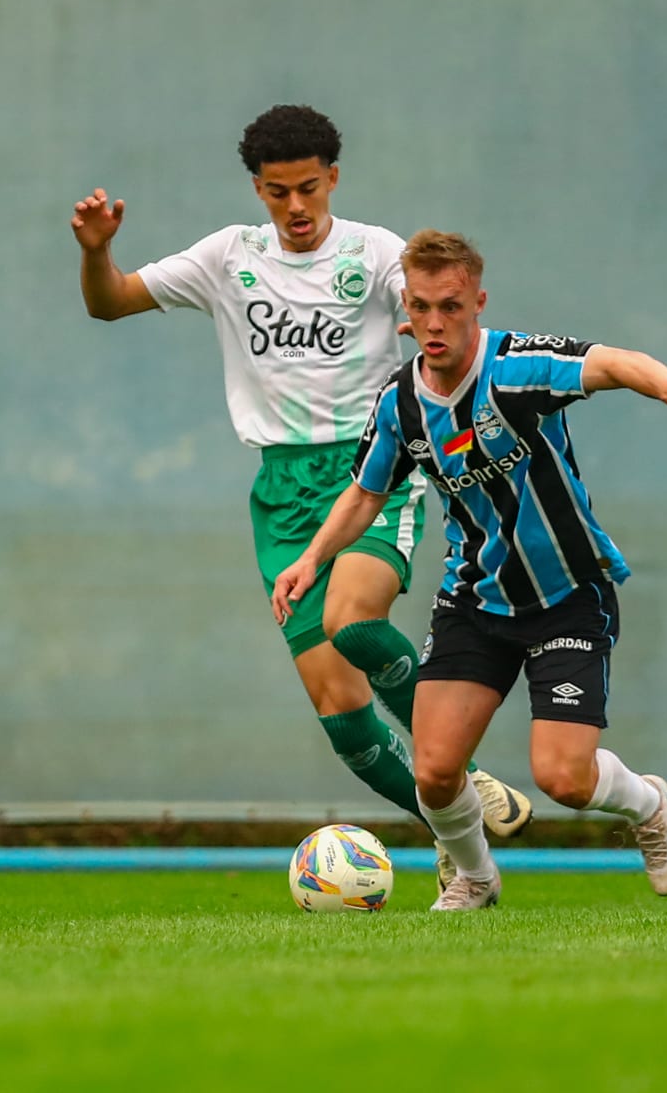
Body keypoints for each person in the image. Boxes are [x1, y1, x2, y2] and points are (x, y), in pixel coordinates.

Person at [72, 107, 531, 860]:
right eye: (278, 191)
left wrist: (428, 327)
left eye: (308, 188)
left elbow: (435, 305)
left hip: (371, 468)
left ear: (333, 180)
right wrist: (98, 253)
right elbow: (109, 300)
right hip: (281, 490)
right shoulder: (228, 257)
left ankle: (464, 773)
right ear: (258, 189)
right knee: (340, 708)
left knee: (355, 620)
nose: (295, 207)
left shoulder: (377, 252)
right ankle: (462, 843)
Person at [272, 230, 667, 909]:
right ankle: (477, 878)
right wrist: (312, 557)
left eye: (450, 306)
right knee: (434, 769)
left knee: (564, 778)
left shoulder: (516, 365)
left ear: (477, 302)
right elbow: (367, 491)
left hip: (567, 595)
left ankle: (649, 803)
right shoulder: (400, 402)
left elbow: (611, 362)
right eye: (421, 306)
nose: (435, 322)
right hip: (476, 600)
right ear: (406, 308)